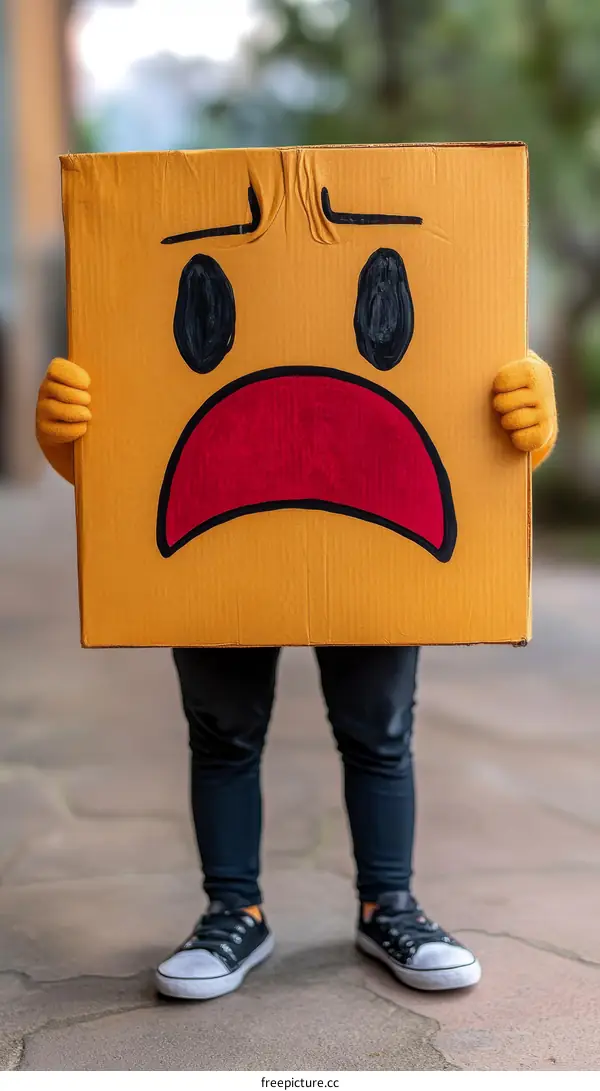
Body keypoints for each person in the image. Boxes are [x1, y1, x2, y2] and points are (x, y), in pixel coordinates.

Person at [35, 350, 557, 1000]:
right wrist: (77, 445)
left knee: (379, 729)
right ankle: (235, 911)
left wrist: (525, 426)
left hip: (376, 534)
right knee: (223, 731)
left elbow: (454, 381)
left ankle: (388, 906)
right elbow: (145, 409)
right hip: (217, 542)